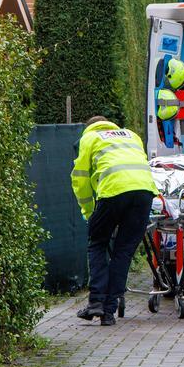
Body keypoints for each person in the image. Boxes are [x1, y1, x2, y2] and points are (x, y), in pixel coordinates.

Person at [71, 116, 157, 326]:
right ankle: (108, 312)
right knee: (124, 252)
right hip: (145, 192)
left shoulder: (90, 138)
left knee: (97, 242)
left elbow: (80, 178)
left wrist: (89, 211)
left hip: (113, 191)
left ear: (89, 127)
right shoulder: (131, 135)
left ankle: (96, 302)